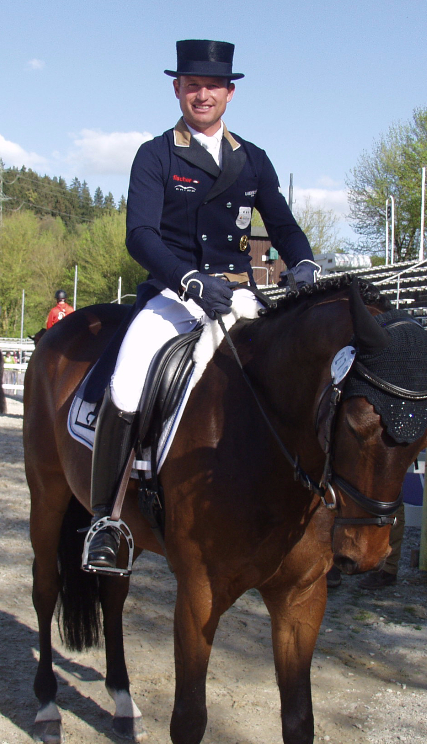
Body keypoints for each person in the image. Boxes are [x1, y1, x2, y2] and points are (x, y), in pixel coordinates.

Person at [83, 39, 320, 572]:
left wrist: (303, 261)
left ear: (230, 93)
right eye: (192, 85)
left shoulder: (251, 159)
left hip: (238, 294)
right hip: (174, 294)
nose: (202, 94)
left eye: (212, 86)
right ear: (177, 90)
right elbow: (140, 234)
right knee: (126, 381)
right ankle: (107, 519)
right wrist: (187, 278)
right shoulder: (156, 154)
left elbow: (282, 226)